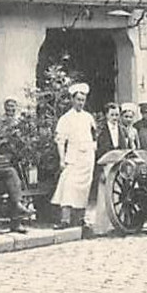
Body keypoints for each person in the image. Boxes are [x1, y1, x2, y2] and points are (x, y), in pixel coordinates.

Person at [52, 82, 97, 229]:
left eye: (83, 100)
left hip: (87, 158)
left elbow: (94, 135)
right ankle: (65, 220)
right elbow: (60, 141)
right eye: (78, 99)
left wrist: (92, 150)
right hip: (72, 157)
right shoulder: (65, 119)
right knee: (68, 186)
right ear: (72, 100)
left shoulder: (88, 117)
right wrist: (61, 159)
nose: (80, 103)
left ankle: (81, 219)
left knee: (84, 188)